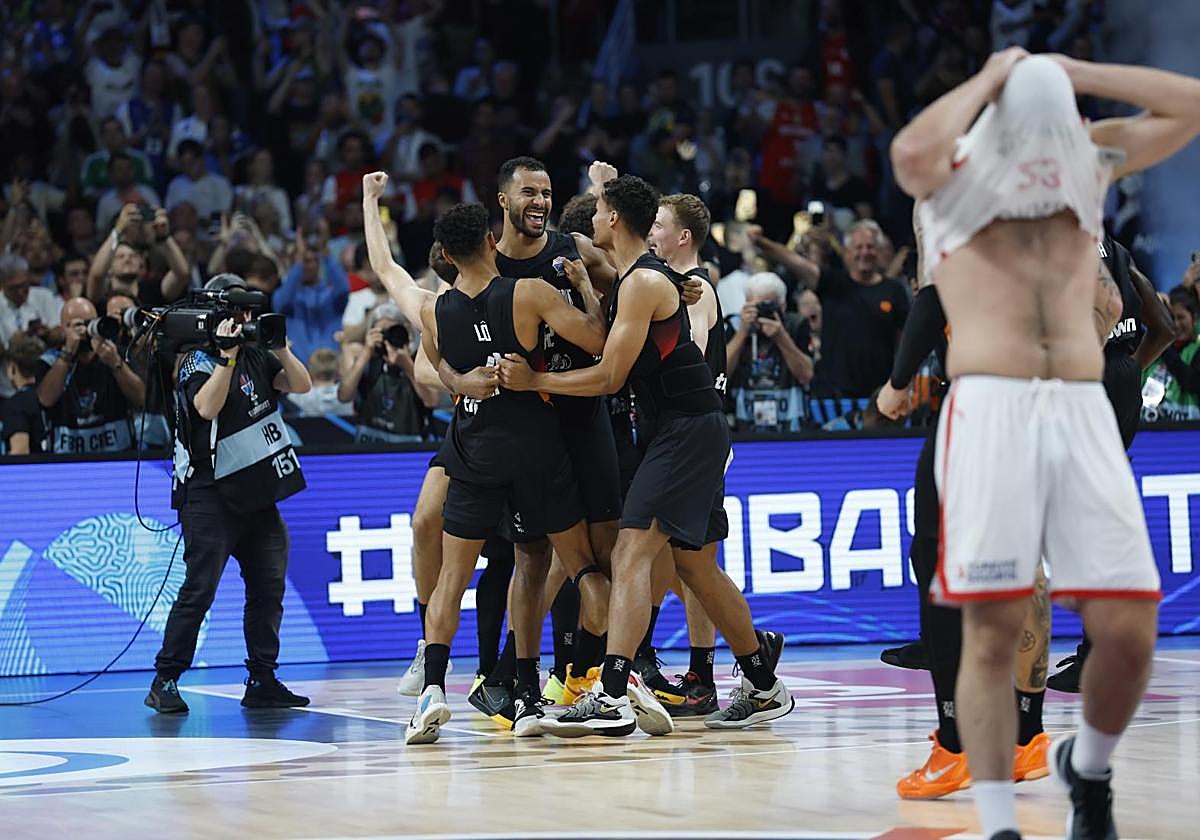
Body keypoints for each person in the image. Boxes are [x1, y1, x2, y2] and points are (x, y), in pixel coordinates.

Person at [890, 50, 1200, 839]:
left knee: (1129, 630)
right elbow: (909, 154)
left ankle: (1087, 767)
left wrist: (1075, 70)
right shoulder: (958, 173)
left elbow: (1191, 105)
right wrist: (995, 79)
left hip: (1081, 404)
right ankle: (1000, 824)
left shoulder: (1085, 164)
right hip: (988, 406)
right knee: (991, 630)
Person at [499, 172, 793, 735]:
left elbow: (610, 375)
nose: (590, 220)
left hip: (686, 427)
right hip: (684, 427)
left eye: (599, 210)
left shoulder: (644, 283)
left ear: (614, 220)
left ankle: (610, 695)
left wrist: (534, 378)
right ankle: (761, 680)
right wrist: (597, 190)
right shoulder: (638, 276)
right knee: (695, 565)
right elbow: (580, 252)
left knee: (632, 553)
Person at [407, 202, 612, 744]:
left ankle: (432, 690)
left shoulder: (435, 310)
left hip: (476, 453)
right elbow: (597, 341)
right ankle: (555, 687)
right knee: (561, 566)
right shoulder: (529, 294)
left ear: (446, 255)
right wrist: (587, 288)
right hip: (537, 451)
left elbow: (440, 370)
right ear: (493, 238)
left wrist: (463, 380)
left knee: (453, 577)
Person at [147, 273, 313, 714]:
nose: (245, 319)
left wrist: (279, 347)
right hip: (209, 494)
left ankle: (262, 677)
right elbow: (206, 407)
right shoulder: (194, 361)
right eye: (238, 311)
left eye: (250, 312)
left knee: (268, 586)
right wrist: (225, 358)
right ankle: (165, 678)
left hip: (256, 490)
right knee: (200, 589)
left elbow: (301, 386)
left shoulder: (258, 352)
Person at [36, 297, 145, 454]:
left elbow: (141, 399)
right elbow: (46, 399)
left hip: (118, 456)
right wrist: (67, 355)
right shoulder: (51, 361)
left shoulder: (114, 354)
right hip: (66, 460)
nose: (85, 330)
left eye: (89, 323)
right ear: (62, 330)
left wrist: (115, 363)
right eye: (77, 325)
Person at [725, 271, 815, 432]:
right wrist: (742, 332)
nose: (763, 312)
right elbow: (720, 375)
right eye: (758, 306)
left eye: (769, 305)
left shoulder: (796, 325)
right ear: (746, 304)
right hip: (743, 424)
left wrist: (781, 337)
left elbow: (806, 375)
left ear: (783, 305)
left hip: (790, 425)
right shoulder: (735, 325)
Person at [1, 332, 49, 454]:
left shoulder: (16, 405)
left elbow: (20, 452)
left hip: (34, 472)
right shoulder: (55, 396)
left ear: (12, 368)